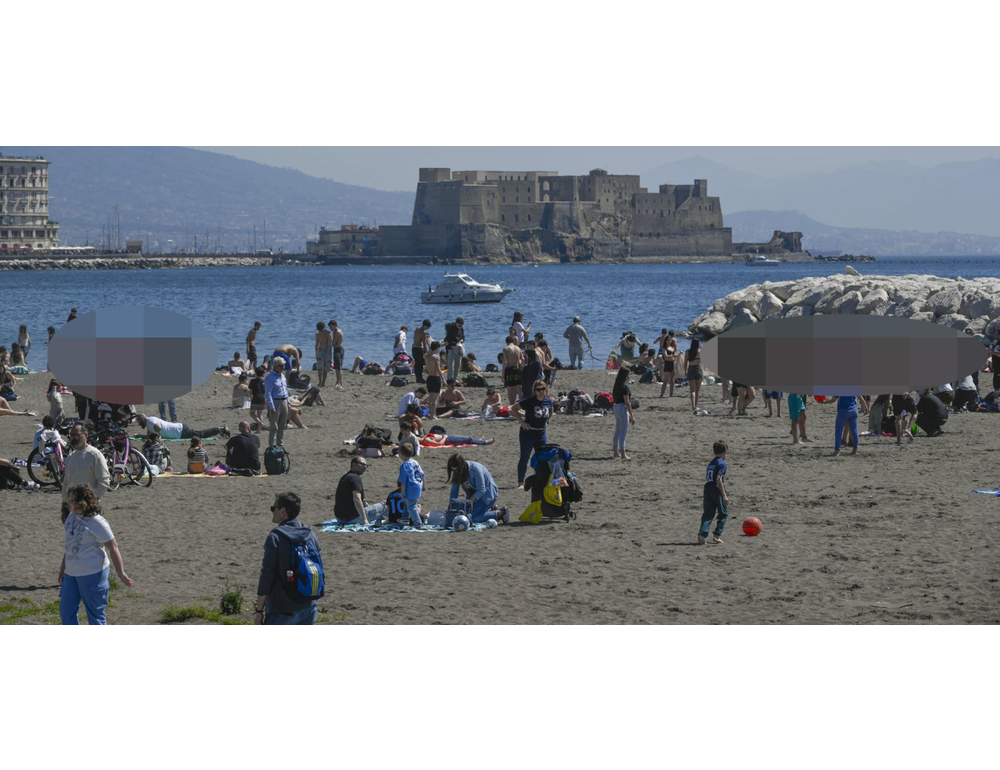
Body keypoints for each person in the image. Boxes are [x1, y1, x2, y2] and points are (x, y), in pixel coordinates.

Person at [58, 484, 134, 625]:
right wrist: (63, 568)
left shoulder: (97, 522)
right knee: (66, 612)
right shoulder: (71, 517)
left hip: (93, 573)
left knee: (95, 614)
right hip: (71, 574)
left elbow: (113, 547)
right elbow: (70, 544)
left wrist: (121, 574)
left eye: (74, 500)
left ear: (84, 502)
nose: (70, 503)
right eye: (70, 500)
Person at [253, 492, 322, 625]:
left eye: (274, 508)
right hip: (309, 605)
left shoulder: (275, 538)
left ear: (283, 511)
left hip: (283, 609)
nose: (272, 511)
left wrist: (259, 611)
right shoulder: (310, 534)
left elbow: (267, 576)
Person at [513, 380, 554, 488]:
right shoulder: (530, 401)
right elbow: (514, 408)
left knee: (542, 457)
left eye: (543, 389)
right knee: (524, 457)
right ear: (534, 391)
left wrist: (547, 421)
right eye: (538, 390)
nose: (541, 392)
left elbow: (550, 411)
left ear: (546, 390)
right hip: (528, 434)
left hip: (541, 434)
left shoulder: (548, 401)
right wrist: (521, 422)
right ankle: (520, 482)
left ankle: (541, 479)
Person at [61, 422, 111, 508]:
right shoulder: (70, 457)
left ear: (86, 435)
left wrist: (92, 500)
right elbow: (66, 482)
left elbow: (104, 480)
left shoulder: (95, 454)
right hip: (73, 507)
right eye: (71, 435)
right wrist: (65, 503)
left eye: (76, 434)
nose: (73, 438)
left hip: (90, 507)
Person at [447, 453, 501, 524]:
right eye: (453, 470)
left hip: (487, 496)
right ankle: (489, 510)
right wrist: (450, 508)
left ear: (462, 466)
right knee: (459, 515)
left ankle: (499, 513)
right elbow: (454, 493)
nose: (455, 472)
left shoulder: (475, 469)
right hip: (473, 497)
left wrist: (468, 501)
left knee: (471, 518)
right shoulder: (456, 473)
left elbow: (481, 490)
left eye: (456, 470)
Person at [333, 457, 385, 525]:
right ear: (354, 464)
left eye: (366, 465)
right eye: (362, 464)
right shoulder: (355, 478)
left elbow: (362, 501)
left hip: (340, 519)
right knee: (386, 504)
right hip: (354, 519)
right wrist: (365, 520)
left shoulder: (344, 477)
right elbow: (357, 499)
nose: (364, 467)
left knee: (373, 508)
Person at [697, 441, 730, 545]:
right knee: (723, 513)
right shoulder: (722, 463)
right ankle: (716, 535)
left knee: (708, 513)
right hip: (716, 490)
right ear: (725, 451)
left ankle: (702, 535)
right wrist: (724, 495)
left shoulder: (711, 463)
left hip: (707, 489)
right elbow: (719, 479)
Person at [134, 413, 229, 440]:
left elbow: (158, 427)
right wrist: (139, 436)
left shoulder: (150, 422)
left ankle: (220, 430)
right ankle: (219, 430)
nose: (138, 424)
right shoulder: (149, 422)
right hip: (179, 429)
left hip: (179, 431)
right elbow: (148, 436)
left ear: (141, 419)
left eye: (138, 421)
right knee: (200, 434)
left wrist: (159, 437)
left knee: (200, 435)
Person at [396, 443, 425, 527]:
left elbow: (403, 482)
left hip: (411, 488)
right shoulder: (415, 462)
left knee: (411, 506)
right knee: (409, 503)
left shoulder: (404, 466)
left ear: (401, 454)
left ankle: (417, 523)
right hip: (418, 485)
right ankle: (405, 518)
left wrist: (402, 493)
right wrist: (423, 486)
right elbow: (422, 474)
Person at [264, 355, 290, 447]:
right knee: (274, 426)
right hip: (275, 402)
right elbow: (268, 393)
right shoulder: (270, 377)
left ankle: (280, 445)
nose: (283, 368)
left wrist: (288, 402)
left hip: (284, 402)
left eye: (283, 366)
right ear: (276, 366)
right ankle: (272, 445)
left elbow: (285, 390)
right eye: (281, 366)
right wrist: (271, 407)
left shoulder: (282, 376)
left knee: (282, 426)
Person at [611, 367, 637, 461]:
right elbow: (627, 402)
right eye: (629, 374)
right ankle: (623, 452)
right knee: (623, 432)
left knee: (617, 430)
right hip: (622, 407)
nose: (630, 376)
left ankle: (615, 451)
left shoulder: (617, 385)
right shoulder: (625, 387)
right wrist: (632, 415)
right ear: (626, 375)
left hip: (616, 407)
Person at [502, 335, 524, 405]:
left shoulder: (506, 349)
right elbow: (522, 359)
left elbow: (505, 362)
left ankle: (512, 405)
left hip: (509, 369)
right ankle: (522, 405)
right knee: (518, 389)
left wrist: (503, 374)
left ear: (506, 342)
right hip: (517, 369)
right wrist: (521, 369)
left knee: (510, 389)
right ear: (513, 341)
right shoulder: (518, 348)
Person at [424, 340, 444, 416]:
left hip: (429, 378)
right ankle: (433, 415)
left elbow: (428, 353)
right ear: (437, 348)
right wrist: (444, 380)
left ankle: (431, 414)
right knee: (435, 399)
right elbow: (438, 370)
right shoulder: (436, 357)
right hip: (435, 378)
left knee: (430, 397)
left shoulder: (426, 356)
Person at [422, 427, 494, 447]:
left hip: (448, 437)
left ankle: (478, 441)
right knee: (468, 439)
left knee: (467, 439)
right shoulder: (426, 440)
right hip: (447, 439)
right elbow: (439, 444)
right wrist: (444, 437)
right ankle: (485, 442)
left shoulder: (423, 438)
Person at [687, 339, 705, 414]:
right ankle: (696, 405)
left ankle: (693, 406)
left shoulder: (688, 351)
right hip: (698, 369)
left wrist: (685, 371)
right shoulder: (700, 352)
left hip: (691, 369)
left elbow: (685, 362)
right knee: (697, 390)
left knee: (692, 390)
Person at [412, 319, 431, 383]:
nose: (427, 328)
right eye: (427, 327)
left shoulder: (416, 329)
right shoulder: (423, 333)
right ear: (425, 326)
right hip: (419, 349)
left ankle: (418, 378)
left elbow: (415, 338)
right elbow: (424, 344)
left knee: (417, 363)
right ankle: (420, 378)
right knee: (420, 364)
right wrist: (426, 352)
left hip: (414, 348)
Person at [248, 366, 267, 431]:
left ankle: (260, 423)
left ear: (256, 373)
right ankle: (259, 429)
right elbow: (264, 391)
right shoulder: (263, 381)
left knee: (252, 413)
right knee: (260, 414)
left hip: (256, 398)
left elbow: (250, 391)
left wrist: (250, 397)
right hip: (262, 398)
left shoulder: (252, 381)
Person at [314, 321, 333, 387]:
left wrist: (327, 354)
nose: (320, 331)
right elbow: (316, 344)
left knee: (326, 367)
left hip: (327, 350)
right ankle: (320, 381)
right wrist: (316, 353)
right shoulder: (318, 334)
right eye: (319, 330)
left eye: (321, 329)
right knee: (319, 367)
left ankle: (323, 382)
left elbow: (329, 345)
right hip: (320, 350)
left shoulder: (328, 333)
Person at [330, 320, 345, 390]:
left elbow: (334, 343)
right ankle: (337, 381)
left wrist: (332, 342)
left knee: (339, 367)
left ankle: (340, 382)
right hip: (336, 349)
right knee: (336, 367)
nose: (330, 328)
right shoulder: (334, 332)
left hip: (339, 349)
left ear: (334, 325)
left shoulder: (337, 332)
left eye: (331, 326)